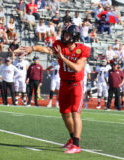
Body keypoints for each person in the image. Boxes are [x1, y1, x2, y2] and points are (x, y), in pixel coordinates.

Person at [20, 24, 90, 153]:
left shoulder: (82, 49)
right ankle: (71, 138)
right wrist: (33, 48)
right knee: (64, 113)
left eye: (67, 34)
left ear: (74, 36)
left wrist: (62, 58)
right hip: (64, 83)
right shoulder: (60, 45)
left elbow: (77, 68)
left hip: (76, 84)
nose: (64, 36)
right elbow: (46, 49)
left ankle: (76, 144)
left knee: (75, 113)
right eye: (64, 33)